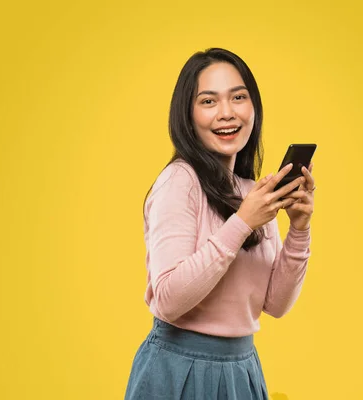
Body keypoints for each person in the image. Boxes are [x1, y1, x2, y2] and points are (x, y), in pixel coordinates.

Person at [124, 48, 316, 400]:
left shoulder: (251, 191)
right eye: (208, 101)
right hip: (180, 369)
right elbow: (167, 299)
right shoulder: (179, 182)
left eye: (238, 97)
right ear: (187, 114)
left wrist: (299, 230)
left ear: (253, 107)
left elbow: (275, 304)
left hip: (242, 368)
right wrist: (242, 222)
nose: (226, 113)